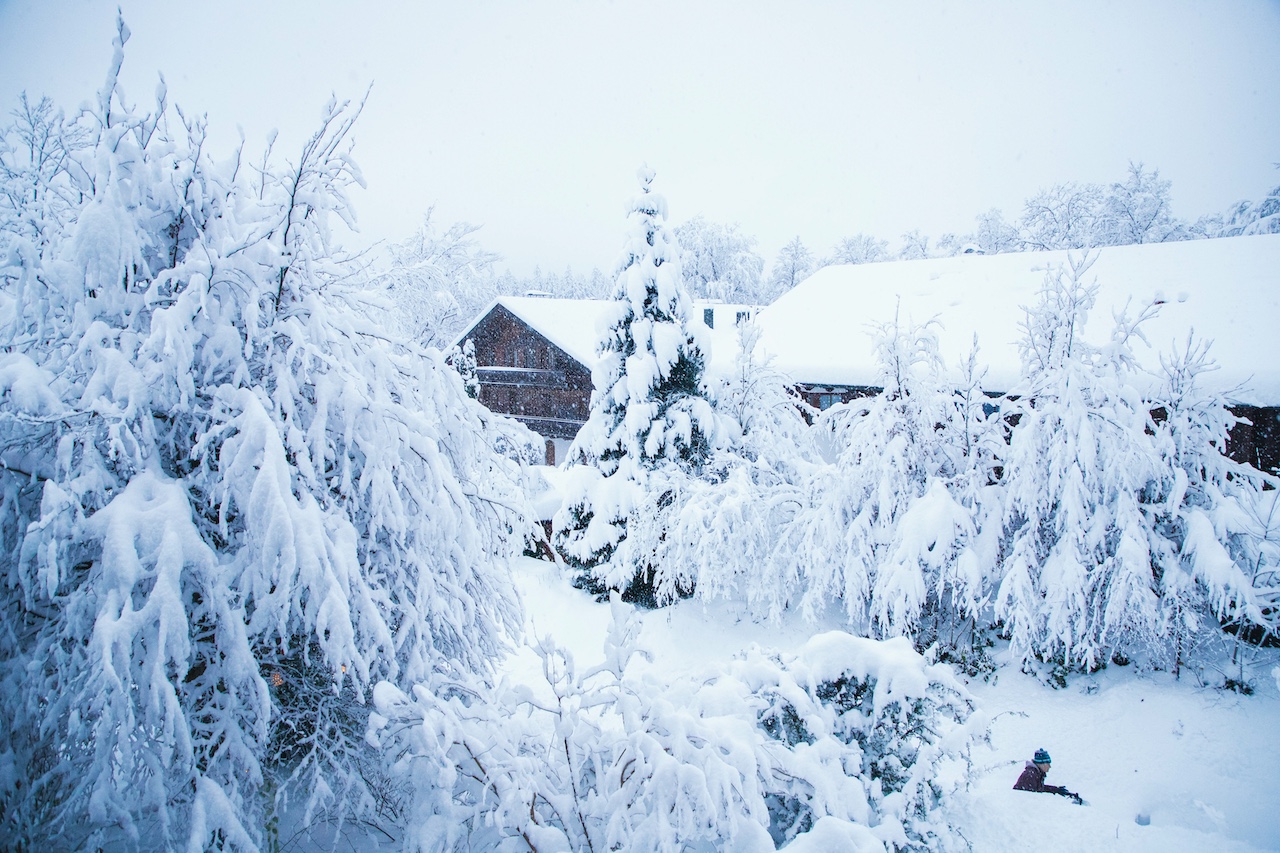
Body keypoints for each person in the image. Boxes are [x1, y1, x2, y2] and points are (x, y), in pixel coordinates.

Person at [1013, 748, 1083, 804]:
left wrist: (1056, 790)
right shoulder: (1030, 775)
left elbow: (1039, 789)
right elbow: (1030, 798)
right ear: (1041, 763)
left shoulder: (1036, 773)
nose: (1050, 766)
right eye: (1048, 763)